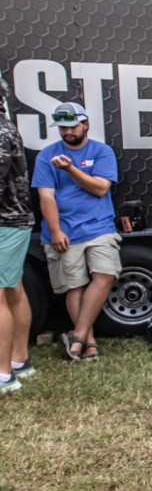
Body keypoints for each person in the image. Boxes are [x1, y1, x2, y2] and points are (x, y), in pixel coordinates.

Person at [30, 102, 120, 362]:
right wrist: (56, 230)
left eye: (72, 126)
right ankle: (88, 342)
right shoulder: (47, 156)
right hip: (64, 231)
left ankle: (77, 334)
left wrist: (70, 168)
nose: (67, 132)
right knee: (74, 285)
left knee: (105, 275)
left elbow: (101, 188)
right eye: (62, 128)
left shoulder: (102, 152)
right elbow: (46, 197)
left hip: (99, 226)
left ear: (85, 124)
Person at [0, 78, 35, 393]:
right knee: (13, 289)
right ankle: (20, 361)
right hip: (15, 221)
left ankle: (3, 374)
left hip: (6, 222)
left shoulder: (1, 131)